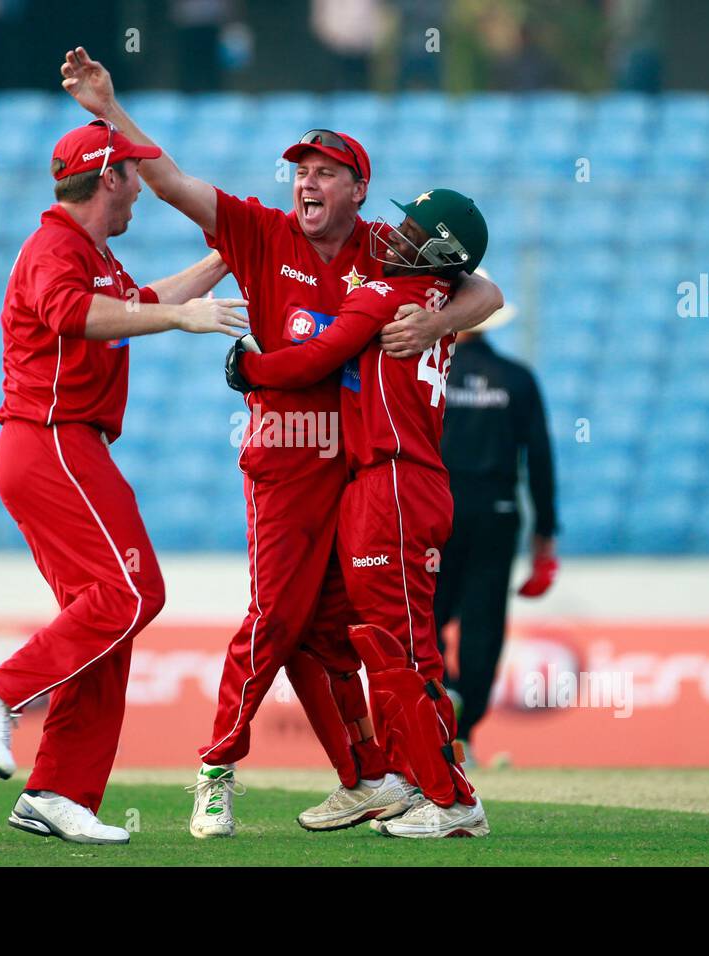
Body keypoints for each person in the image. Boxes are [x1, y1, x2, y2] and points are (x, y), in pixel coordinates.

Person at [61, 46, 505, 837]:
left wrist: (435, 322)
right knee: (276, 622)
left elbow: (484, 287)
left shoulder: (383, 250)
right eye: (300, 169)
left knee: (340, 636)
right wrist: (109, 109)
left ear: (358, 190)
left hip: (369, 471)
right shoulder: (261, 232)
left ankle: (384, 779)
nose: (306, 181)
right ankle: (218, 768)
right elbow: (169, 183)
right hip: (289, 461)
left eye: (326, 171)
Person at [0, 119, 249, 845]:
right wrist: (180, 316)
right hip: (51, 441)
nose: (142, 190)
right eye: (134, 176)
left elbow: (132, 298)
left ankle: (57, 792)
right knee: (133, 594)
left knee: (107, 618)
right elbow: (73, 315)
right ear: (108, 177)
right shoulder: (57, 246)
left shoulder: (92, 253)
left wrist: (217, 265)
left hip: (62, 446)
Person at [225, 188, 492, 838]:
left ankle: (453, 800)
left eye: (412, 230)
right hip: (401, 479)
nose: (396, 236)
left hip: (392, 479)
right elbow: (486, 290)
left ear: (439, 250)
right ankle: (410, 778)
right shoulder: (438, 305)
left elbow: (316, 357)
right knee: (389, 642)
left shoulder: (382, 294)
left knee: (403, 649)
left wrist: (249, 369)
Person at [434, 300, 559, 767]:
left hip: (435, 510)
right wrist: (545, 532)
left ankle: (443, 700)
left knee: (426, 614)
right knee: (484, 623)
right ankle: (465, 726)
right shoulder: (518, 378)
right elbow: (540, 459)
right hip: (498, 512)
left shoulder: (429, 372)